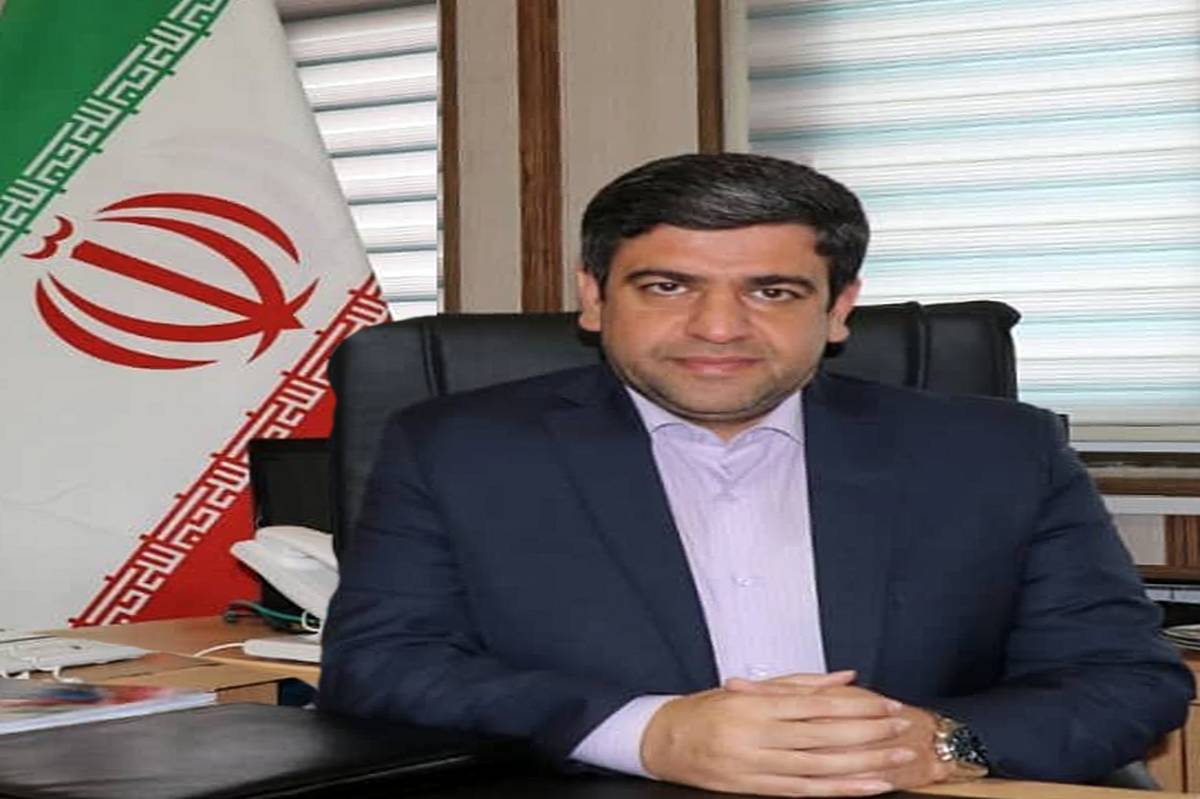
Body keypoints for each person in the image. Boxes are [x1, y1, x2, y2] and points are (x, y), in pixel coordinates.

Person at [318, 153, 1193, 796]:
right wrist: (648, 732)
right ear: (594, 297)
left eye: (772, 291)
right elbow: (383, 665)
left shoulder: (998, 452)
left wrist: (937, 744)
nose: (718, 327)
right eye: (667, 286)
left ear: (838, 308)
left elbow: (1126, 677)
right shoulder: (457, 447)